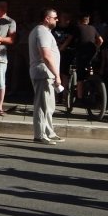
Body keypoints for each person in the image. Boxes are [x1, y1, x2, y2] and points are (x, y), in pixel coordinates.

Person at [29, 8, 64, 145]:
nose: (57, 20)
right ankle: (40, 135)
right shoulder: (42, 32)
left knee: (48, 105)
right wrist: (57, 74)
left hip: (45, 73)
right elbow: (46, 55)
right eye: (55, 17)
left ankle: (49, 132)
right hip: (43, 73)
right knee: (42, 105)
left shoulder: (43, 31)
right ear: (47, 18)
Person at [73, 13, 103, 101]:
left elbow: (71, 40)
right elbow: (101, 40)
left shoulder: (77, 27)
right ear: (88, 20)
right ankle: (91, 79)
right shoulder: (93, 28)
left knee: (80, 76)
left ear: (79, 21)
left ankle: (79, 98)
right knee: (90, 68)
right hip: (93, 54)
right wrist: (96, 47)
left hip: (81, 54)